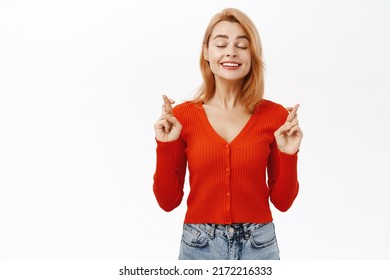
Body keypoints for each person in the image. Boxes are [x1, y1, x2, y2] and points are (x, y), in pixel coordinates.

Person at [153, 8, 303, 260]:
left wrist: (289, 154)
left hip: (259, 245)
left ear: (252, 54)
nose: (231, 51)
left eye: (242, 45)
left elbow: (283, 203)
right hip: (199, 246)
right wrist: (165, 145)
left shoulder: (276, 116)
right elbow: (168, 202)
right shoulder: (182, 117)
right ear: (206, 52)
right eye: (221, 44)